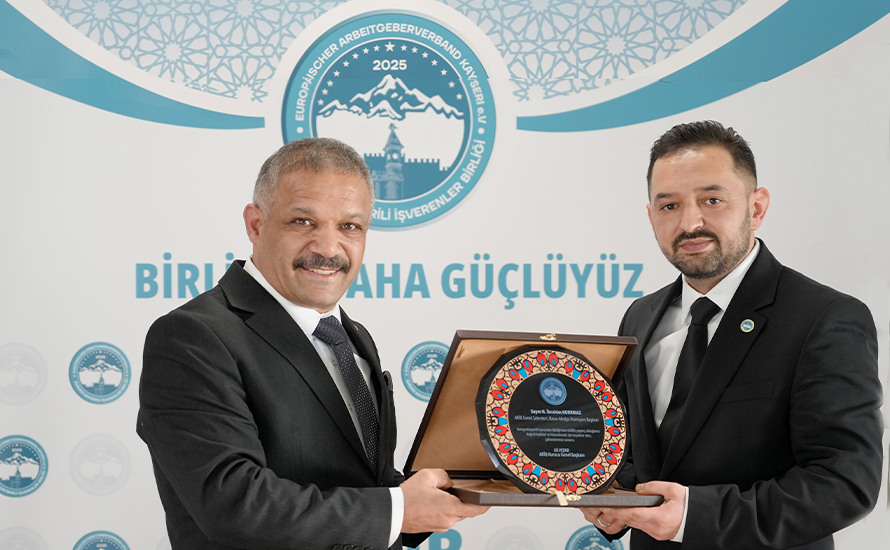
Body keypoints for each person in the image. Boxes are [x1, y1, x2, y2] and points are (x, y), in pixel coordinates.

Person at [137, 137, 487, 550]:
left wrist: (477, 474)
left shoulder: (352, 337)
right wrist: (397, 510)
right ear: (256, 224)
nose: (328, 248)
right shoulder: (192, 338)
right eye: (303, 222)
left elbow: (362, 482)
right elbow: (233, 505)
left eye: (349, 227)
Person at [583, 121, 883, 549]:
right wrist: (613, 497)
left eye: (713, 200)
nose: (690, 222)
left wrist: (694, 517)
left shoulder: (824, 318)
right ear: (651, 217)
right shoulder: (640, 316)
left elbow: (844, 483)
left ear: (756, 208)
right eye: (669, 206)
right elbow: (634, 452)